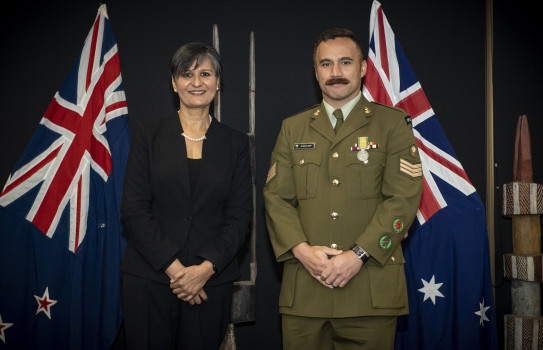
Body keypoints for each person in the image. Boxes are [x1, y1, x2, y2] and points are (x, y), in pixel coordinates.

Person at [263, 28, 423, 350]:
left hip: (369, 290)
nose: (335, 73)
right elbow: (276, 198)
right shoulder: (292, 128)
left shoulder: (392, 124)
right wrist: (301, 251)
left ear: (363, 68)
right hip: (306, 290)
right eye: (326, 64)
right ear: (316, 71)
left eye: (345, 62)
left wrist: (358, 255)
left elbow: (402, 199)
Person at [120, 42, 252, 349]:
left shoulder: (235, 143)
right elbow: (134, 210)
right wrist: (179, 272)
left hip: (210, 283)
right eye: (186, 73)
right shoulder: (147, 134)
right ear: (173, 82)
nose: (196, 82)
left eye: (205, 73)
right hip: (150, 279)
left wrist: (203, 271)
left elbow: (240, 217)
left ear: (218, 83)